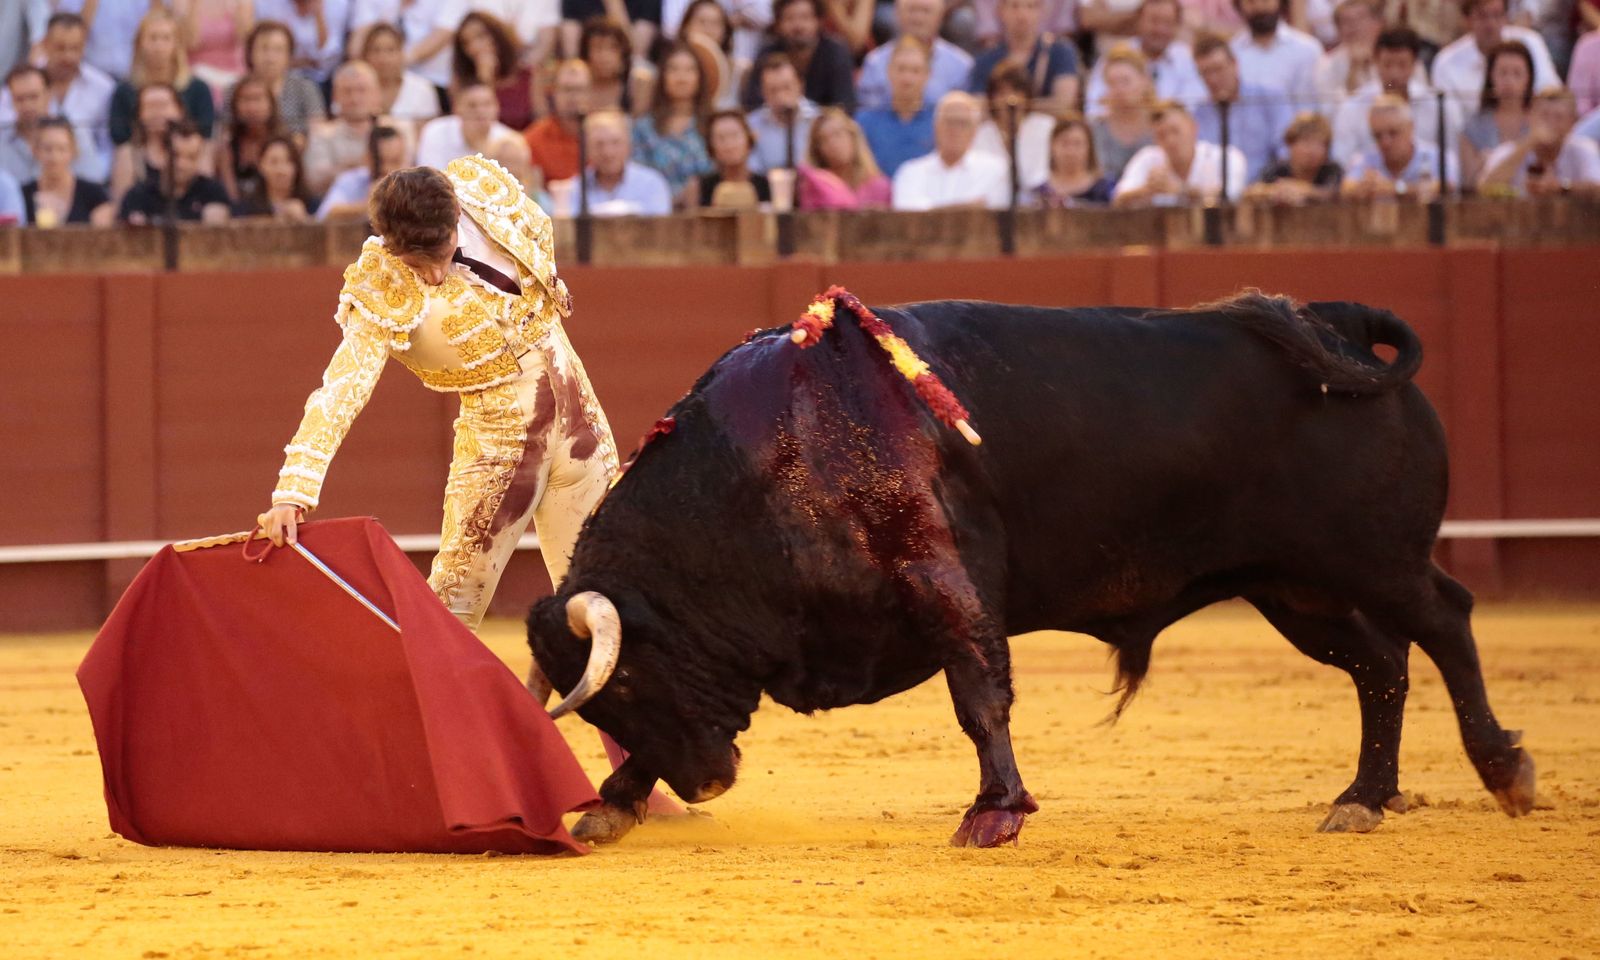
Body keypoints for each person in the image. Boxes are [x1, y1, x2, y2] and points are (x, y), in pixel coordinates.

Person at [0, 13, 114, 181]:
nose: (68, 56)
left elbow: (104, 154)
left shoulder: (103, 87)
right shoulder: (22, 82)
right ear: (45, 44)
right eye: (60, 47)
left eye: (75, 48)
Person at [1331, 27, 1461, 169]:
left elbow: (1450, 159)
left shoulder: (1437, 105)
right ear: (1375, 62)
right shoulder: (1352, 107)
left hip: (1425, 184)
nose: (1394, 73)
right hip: (1370, 184)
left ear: (1415, 64)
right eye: (1387, 64)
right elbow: (1342, 161)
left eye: (1402, 65)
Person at [1193, 31, 1292, 181]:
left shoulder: (1269, 100)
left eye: (1218, 69)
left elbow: (1286, 150)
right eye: (1205, 73)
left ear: (1234, 64)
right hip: (1216, 196)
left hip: (1267, 189)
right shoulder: (1199, 115)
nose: (1212, 79)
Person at [1082, 0, 1206, 118]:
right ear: (1139, 21)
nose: (1160, 29)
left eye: (1167, 23)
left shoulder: (1186, 59)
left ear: (1176, 26)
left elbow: (1193, 109)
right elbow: (1094, 109)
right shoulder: (1115, 56)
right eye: (1154, 21)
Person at [110, 8, 214, 147]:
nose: (159, 46)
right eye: (153, 38)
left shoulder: (197, 89)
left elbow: (205, 132)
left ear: (177, 44)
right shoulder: (125, 90)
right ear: (139, 43)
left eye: (166, 38)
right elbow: (119, 135)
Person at [1112, 99, 1249, 205]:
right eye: (1162, 135)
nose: (1170, 140)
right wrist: (1148, 190)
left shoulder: (1225, 157)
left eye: (1175, 131)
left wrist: (1181, 191)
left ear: (1193, 128)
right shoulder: (1148, 158)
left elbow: (1231, 196)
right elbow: (1118, 200)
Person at [1430, 0, 1559, 113]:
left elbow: (1553, 95)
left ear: (1506, 17)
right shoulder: (1445, 63)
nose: (1491, 24)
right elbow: (1451, 124)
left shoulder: (1531, 42)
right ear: (1467, 20)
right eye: (1482, 16)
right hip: (1473, 138)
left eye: (1497, 15)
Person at [891, 91, 1012, 210]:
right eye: (949, 121)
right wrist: (968, 207)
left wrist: (933, 210)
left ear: (974, 131)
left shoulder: (996, 170)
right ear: (936, 126)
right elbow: (910, 217)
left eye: (962, 123)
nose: (955, 129)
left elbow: (994, 215)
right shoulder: (910, 172)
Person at [1477, 86, 1600, 195]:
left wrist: (1560, 187)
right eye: (1544, 115)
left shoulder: (1583, 149)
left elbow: (1597, 187)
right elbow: (1483, 187)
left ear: (1572, 122)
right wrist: (1529, 142)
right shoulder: (1508, 150)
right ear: (1530, 116)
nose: (1550, 123)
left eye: (1558, 117)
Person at [631, 42, 714, 204]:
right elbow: (638, 176)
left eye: (689, 70)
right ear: (663, 76)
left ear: (700, 77)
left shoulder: (713, 123)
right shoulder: (643, 128)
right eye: (673, 69)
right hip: (655, 213)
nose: (681, 77)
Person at [856, 0, 974, 112]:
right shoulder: (875, 61)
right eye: (912, 10)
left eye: (925, 11)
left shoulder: (961, 65)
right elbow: (867, 111)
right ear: (897, 14)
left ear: (940, 16)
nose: (918, 18)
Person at [967, 0, 1080, 114]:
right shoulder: (986, 59)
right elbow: (977, 106)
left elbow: (1064, 104)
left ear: (1042, 12)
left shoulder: (1060, 52)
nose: (1022, 14)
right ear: (1000, 11)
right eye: (1014, 6)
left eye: (1030, 6)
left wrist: (1014, 106)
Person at [741, 0, 856, 112]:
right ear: (778, 25)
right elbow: (753, 104)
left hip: (823, 127)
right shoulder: (767, 53)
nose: (798, 26)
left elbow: (844, 105)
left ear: (819, 21)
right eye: (789, 18)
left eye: (805, 17)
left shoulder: (835, 52)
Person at [222, 20, 326, 136]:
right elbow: (226, 133)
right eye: (264, 49)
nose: (270, 58)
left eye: (278, 50)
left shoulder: (305, 87)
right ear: (250, 53)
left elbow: (318, 129)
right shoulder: (235, 89)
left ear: (289, 56)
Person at [1342, 93, 1455, 200]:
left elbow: (1447, 187)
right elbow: (1346, 187)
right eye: (1377, 136)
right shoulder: (1366, 159)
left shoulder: (1437, 157)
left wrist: (1395, 188)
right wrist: (1362, 187)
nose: (1385, 142)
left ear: (1411, 128)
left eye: (1393, 133)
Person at [117, 120, 231, 224]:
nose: (182, 164)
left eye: (191, 157)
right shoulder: (138, 196)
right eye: (176, 155)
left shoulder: (213, 193)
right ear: (162, 154)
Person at [855, 37, 937, 178]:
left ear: (927, 76)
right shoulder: (864, 122)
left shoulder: (939, 120)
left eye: (915, 71)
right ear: (889, 72)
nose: (907, 78)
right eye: (901, 69)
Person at [1, 65, 99, 183]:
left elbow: (92, 185)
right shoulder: (2, 139)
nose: (27, 106)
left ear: (49, 94)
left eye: (33, 97)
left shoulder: (75, 134)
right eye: (19, 99)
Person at [304, 61, 388, 197]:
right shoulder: (322, 135)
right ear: (335, 97)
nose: (355, 99)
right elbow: (314, 181)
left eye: (362, 90)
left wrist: (348, 167)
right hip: (338, 209)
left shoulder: (396, 129)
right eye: (347, 91)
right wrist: (360, 165)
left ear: (377, 94)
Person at [1459, 42, 1534, 187]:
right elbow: (1469, 184)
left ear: (1529, 79)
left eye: (1517, 73)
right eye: (1502, 73)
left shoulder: (1539, 123)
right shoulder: (1473, 127)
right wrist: (1481, 165)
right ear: (1491, 77)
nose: (1509, 81)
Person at [971, 63, 1056, 191]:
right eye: (1001, 93)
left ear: (1027, 96)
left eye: (1016, 91)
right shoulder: (979, 135)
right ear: (992, 99)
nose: (1009, 99)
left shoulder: (1048, 127)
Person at [109, 83, 197, 205]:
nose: (157, 112)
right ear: (139, 115)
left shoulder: (197, 145)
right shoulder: (128, 154)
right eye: (149, 106)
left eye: (163, 105)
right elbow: (121, 204)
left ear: (180, 110)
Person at [416, 80, 531, 173]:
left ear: (497, 108)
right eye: (472, 105)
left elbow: (520, 185)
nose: (480, 111)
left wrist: (484, 148)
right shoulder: (435, 131)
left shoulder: (510, 139)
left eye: (487, 104)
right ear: (457, 109)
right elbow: (429, 181)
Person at [1227, 0, 1321, 112]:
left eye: (1266, 1)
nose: (1259, 7)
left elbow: (1310, 106)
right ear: (1240, 6)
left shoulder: (1307, 50)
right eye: (1251, 2)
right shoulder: (1232, 52)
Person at [577, 108, 674, 215]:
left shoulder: (652, 183)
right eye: (599, 144)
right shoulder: (576, 188)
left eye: (616, 142)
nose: (608, 153)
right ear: (586, 149)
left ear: (629, 145)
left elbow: (660, 226)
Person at [452, 11, 537, 131]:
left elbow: (541, 121)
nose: (474, 47)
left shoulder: (529, 75)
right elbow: (469, 128)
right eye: (466, 43)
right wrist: (484, 79)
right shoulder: (461, 82)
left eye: (480, 36)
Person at [22, 116, 113, 226]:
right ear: (35, 151)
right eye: (47, 149)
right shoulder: (22, 195)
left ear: (73, 151)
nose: (54, 157)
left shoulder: (95, 196)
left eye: (62, 149)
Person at [798, 106, 892, 209]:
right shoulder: (814, 190)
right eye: (823, 139)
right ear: (817, 150)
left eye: (837, 134)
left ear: (853, 137)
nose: (833, 143)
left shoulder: (879, 187)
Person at [1090, 45, 1157, 182]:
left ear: (1144, 81)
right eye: (1112, 83)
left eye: (1125, 81)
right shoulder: (1094, 129)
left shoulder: (1161, 125)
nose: (1119, 90)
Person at [1245, 110, 1343, 202]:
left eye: (1319, 144)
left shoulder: (1332, 170)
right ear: (1290, 144)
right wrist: (1275, 191)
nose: (1312, 151)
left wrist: (1304, 190)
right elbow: (1251, 191)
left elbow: (1334, 194)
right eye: (1306, 142)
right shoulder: (1277, 169)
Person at [317, 123, 411, 219]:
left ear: (406, 158)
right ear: (367, 158)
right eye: (380, 161)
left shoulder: (415, 185)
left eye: (394, 161)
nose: (387, 169)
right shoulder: (351, 180)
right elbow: (325, 215)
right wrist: (371, 204)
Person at [746, 53, 820, 171]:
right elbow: (752, 170)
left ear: (800, 85)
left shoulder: (819, 120)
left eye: (786, 88)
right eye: (773, 90)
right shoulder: (751, 125)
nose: (780, 97)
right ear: (763, 92)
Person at [358, 21, 442, 123]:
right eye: (376, 50)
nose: (383, 58)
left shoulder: (422, 89)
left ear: (402, 53)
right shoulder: (354, 88)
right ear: (365, 55)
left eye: (390, 50)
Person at [252, 0, 352, 83]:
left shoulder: (338, 4)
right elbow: (261, 50)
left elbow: (326, 58)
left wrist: (319, 14)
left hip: (323, 80)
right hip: (280, 76)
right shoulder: (268, 4)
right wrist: (304, 62)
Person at [525, 59, 590, 183]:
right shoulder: (535, 138)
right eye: (567, 89)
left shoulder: (604, 137)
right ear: (553, 92)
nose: (573, 97)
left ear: (591, 92)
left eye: (580, 89)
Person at [1031, 112, 1117, 206]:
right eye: (1065, 143)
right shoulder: (1039, 193)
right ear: (1052, 146)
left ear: (1089, 147)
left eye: (1077, 144)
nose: (1071, 151)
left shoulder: (1106, 190)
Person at [1312, 0, 1384, 111]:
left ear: (1377, 24)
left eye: (1360, 18)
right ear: (1338, 30)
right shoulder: (1326, 65)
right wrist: (1354, 69)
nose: (1353, 26)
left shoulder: (1394, 56)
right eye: (1346, 21)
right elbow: (1329, 112)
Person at [677, 0, 748, 108]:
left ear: (725, 31)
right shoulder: (670, 65)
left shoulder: (741, 71)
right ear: (686, 27)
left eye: (716, 23)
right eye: (702, 22)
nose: (708, 30)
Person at [695, 108, 771, 207]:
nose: (729, 145)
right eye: (721, 138)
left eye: (735, 136)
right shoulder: (699, 188)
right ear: (711, 147)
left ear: (749, 140)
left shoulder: (767, 186)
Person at [578, 16, 651, 115]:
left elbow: (639, 127)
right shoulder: (575, 86)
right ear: (586, 53)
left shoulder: (636, 85)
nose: (605, 56)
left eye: (613, 48)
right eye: (598, 48)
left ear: (623, 53)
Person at [181, 0, 253, 95]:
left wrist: (238, 10)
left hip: (232, 71)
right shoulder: (185, 3)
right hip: (199, 71)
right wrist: (194, 7)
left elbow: (244, 38)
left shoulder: (241, 4)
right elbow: (191, 43)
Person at [234, 133, 312, 220]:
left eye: (288, 161)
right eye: (273, 162)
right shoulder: (246, 208)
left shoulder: (312, 204)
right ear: (261, 166)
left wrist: (303, 218)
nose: (281, 170)